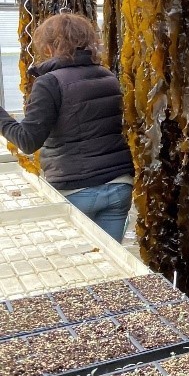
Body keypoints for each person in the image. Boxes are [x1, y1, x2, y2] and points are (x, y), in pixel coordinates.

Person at [0, 13, 134, 242]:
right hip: (119, 185)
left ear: (50, 46)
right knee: (109, 269)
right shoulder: (108, 76)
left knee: (79, 265)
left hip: (75, 190)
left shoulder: (50, 82)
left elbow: (28, 141)